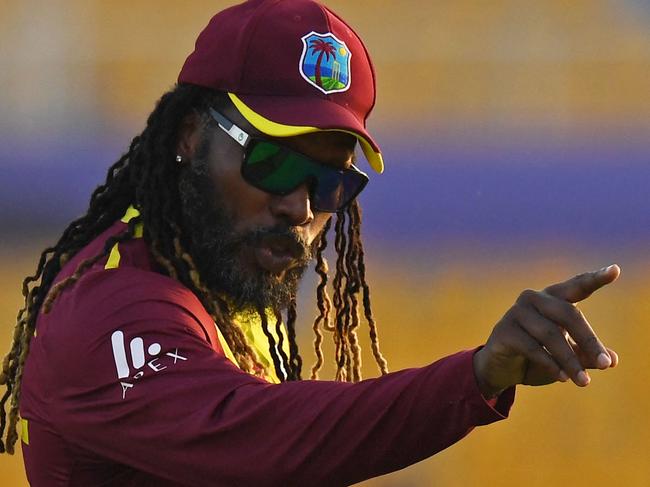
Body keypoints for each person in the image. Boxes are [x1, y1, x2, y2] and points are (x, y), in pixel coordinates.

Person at [0, 0, 619, 485]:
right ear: (190, 135)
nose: (299, 207)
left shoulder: (219, 289)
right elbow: (262, 443)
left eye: (330, 183)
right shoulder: (109, 307)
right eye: (271, 162)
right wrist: (476, 375)